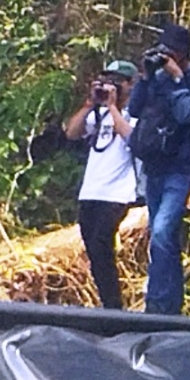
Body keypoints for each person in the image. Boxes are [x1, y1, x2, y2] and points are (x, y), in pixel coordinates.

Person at [126, 22, 190, 316]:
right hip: (155, 164)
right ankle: (166, 304)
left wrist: (177, 81)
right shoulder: (158, 76)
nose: (164, 56)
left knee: (164, 230)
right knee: (160, 232)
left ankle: (160, 305)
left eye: (169, 52)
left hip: (182, 166)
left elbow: (187, 113)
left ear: (182, 54)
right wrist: (145, 76)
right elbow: (136, 109)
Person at [63, 59, 140, 310]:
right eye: (108, 80)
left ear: (130, 84)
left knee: (102, 244)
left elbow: (131, 137)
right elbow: (72, 133)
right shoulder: (99, 112)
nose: (112, 86)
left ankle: (114, 307)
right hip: (92, 190)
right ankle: (109, 303)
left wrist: (114, 107)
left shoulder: (136, 112)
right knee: (94, 250)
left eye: (118, 81)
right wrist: (90, 104)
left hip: (118, 192)